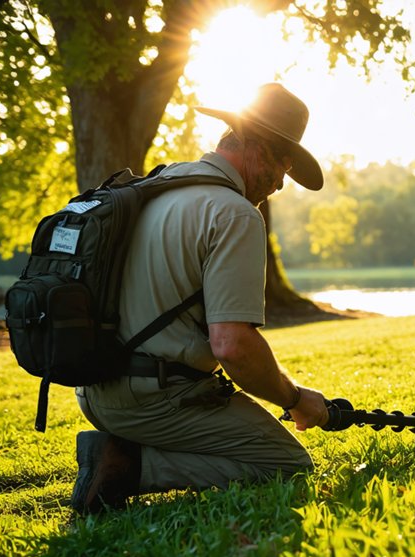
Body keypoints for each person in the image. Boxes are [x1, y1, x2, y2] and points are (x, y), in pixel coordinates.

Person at [71, 83, 330, 514]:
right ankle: (124, 465)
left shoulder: (160, 183)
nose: (282, 182)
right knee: (287, 465)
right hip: (153, 399)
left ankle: (124, 446)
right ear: (253, 144)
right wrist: (294, 398)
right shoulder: (234, 213)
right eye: (283, 161)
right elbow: (233, 347)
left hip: (94, 388)